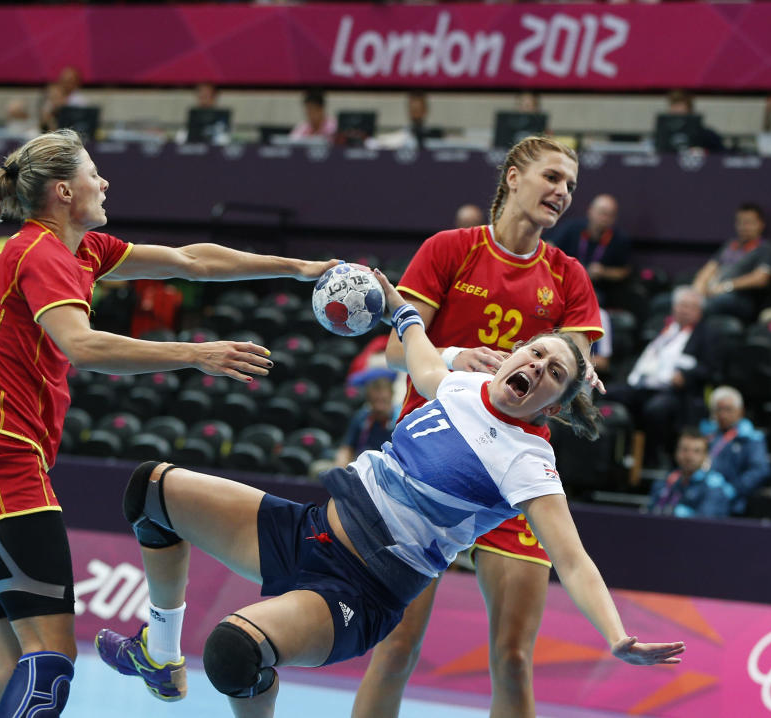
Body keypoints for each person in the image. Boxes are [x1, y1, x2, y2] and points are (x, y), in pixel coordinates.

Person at [94, 270, 684, 717]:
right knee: (151, 489)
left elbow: (573, 560)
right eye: (537, 353)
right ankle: (162, 654)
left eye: (555, 373)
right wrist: (398, 308)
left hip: (359, 588)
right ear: (514, 355)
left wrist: (615, 636)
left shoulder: (529, 459)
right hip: (308, 528)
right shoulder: (465, 385)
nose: (539, 366)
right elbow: (424, 364)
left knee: (233, 653)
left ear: (551, 407)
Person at [0, 128, 339, 718]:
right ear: (65, 191)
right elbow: (83, 346)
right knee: (49, 662)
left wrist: (299, 267)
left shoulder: (81, 250)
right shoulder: (41, 253)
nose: (105, 180)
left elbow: (192, 260)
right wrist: (195, 352)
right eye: (95, 172)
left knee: (9, 659)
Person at [354, 135, 605, 718]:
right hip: (429, 473)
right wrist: (452, 355)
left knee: (513, 660)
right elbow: (396, 351)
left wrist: (583, 370)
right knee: (395, 647)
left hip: (511, 481)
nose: (562, 193)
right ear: (513, 177)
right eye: (551, 177)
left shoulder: (568, 278)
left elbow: (576, 368)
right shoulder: (451, 250)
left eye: (570, 185)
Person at [608, 286, 714, 468]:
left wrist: (686, 377)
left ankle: (652, 459)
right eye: (681, 305)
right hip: (643, 384)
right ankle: (618, 455)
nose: (684, 310)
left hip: (677, 393)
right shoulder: (662, 327)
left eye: (690, 307)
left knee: (656, 409)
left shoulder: (706, 335)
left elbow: (710, 369)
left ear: (699, 311)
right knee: (609, 394)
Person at [692, 202, 771, 322]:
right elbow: (709, 268)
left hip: (740, 298)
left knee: (710, 304)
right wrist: (697, 290)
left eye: (749, 223)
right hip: (713, 292)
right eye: (740, 222)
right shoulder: (730, 245)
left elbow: (761, 278)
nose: (743, 227)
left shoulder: (766, 248)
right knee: (675, 300)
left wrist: (726, 286)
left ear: (761, 224)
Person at [545, 194, 632, 309]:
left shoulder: (619, 239)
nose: (604, 218)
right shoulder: (572, 228)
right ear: (590, 211)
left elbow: (624, 271)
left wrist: (604, 272)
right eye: (602, 213)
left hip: (596, 289)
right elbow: (549, 246)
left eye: (610, 215)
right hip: (564, 282)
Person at [699, 386, 771, 516]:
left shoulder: (751, 438)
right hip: (702, 491)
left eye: (728, 409)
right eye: (718, 410)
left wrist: (733, 489)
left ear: (740, 411)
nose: (723, 415)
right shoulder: (708, 435)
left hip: (733, 499)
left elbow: (760, 470)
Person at [648, 428, 734, 518]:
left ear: (705, 456)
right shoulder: (664, 482)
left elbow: (706, 522)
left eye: (696, 451)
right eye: (684, 450)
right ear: (676, 452)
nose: (689, 456)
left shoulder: (714, 487)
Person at [333, 364, 399, 468]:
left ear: (391, 396)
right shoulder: (361, 417)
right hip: (363, 469)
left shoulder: (401, 420)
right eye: (375, 401)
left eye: (383, 401)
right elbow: (347, 448)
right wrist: (340, 467)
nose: (379, 406)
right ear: (368, 399)